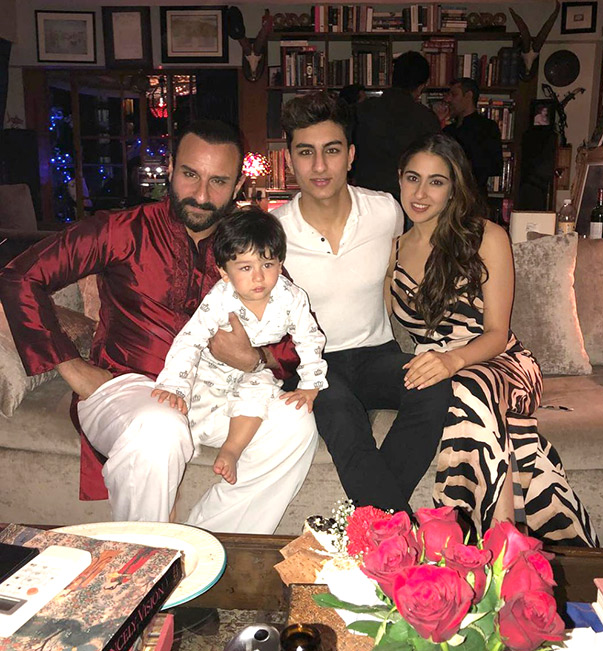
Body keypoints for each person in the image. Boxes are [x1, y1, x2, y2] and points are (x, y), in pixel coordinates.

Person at [0, 119, 318, 534]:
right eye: (190, 174)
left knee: (296, 423)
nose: (201, 195)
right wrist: (70, 366)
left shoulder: (247, 249)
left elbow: (294, 334)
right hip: (128, 387)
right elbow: (20, 276)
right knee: (159, 426)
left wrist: (255, 357)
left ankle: (205, 543)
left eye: (218, 181)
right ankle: (149, 558)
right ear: (170, 168)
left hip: (218, 393)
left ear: (238, 185)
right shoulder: (120, 230)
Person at [388, 132, 598, 546]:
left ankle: (470, 541)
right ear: (399, 179)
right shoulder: (392, 250)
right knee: (457, 390)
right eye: (413, 178)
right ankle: (505, 545)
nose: (421, 193)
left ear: (454, 188)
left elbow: (497, 334)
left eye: (436, 181)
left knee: (465, 388)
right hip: (443, 370)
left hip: (503, 362)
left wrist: (450, 361)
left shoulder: (486, 237)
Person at [273, 92, 452, 516]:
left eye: (332, 151)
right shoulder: (273, 231)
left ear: (351, 155)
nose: (320, 166)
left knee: (434, 388)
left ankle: (370, 524)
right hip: (313, 364)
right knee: (338, 410)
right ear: (290, 160)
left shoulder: (385, 211)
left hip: (377, 355)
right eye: (306, 152)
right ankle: (393, 532)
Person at [152, 207, 328, 486]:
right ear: (224, 272)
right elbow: (190, 339)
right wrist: (174, 385)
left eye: (267, 265)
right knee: (179, 417)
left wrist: (310, 384)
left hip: (254, 371)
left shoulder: (291, 297)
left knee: (260, 389)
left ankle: (232, 449)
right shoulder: (220, 299)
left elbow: (309, 338)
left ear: (280, 263)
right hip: (212, 371)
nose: (258, 277)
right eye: (246, 268)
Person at [353, 51, 440, 200]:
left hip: (366, 195)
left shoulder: (361, 110)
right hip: (409, 198)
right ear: (421, 87)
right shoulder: (426, 118)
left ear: (392, 76)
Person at [443, 78, 503, 199]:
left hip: (475, 197)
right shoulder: (448, 130)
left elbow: (495, 166)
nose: (448, 100)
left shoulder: (487, 127)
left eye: (454, 95)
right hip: (448, 195)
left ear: (468, 96)